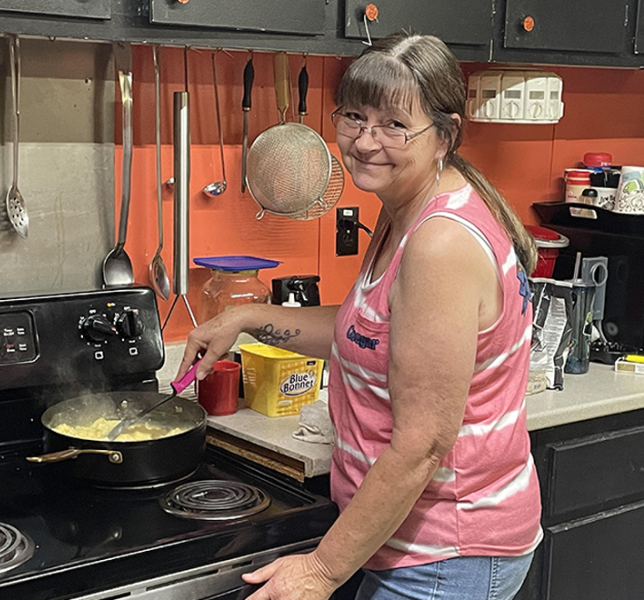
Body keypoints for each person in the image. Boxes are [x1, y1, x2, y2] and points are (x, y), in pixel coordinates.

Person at [177, 32, 542, 600]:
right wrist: (245, 318)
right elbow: (364, 335)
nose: (366, 141)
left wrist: (320, 571)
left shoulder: (438, 243)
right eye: (354, 116)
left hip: (446, 553)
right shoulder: (409, 209)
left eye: (395, 124)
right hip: (414, 545)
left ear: (443, 134)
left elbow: (422, 445)